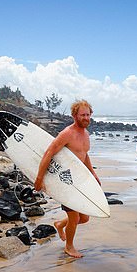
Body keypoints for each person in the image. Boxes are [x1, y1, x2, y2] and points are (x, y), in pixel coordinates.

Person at [34, 99, 101, 258]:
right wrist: (39, 178)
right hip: (65, 181)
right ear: (74, 116)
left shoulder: (86, 134)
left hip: (78, 181)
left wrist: (93, 173)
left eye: (88, 114)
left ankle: (59, 224)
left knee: (84, 218)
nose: (86, 118)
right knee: (75, 217)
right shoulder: (67, 134)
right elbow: (49, 153)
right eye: (82, 115)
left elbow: (84, 155)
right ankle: (69, 247)